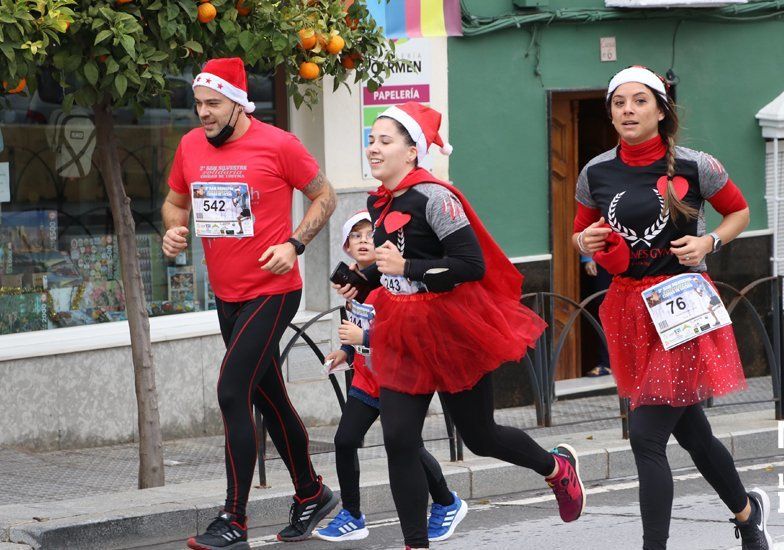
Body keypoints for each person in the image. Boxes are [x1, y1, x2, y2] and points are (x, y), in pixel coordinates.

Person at [336, 102, 586, 550]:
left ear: (412, 151)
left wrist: (408, 266)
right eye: (372, 140)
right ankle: (416, 544)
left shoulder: (436, 197)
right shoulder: (379, 201)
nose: (373, 148)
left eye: (385, 140)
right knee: (398, 440)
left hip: (451, 327)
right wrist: (362, 278)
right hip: (401, 327)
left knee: (480, 437)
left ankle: (555, 468)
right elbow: (388, 262)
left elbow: (469, 264)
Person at [572, 65, 773, 550]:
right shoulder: (595, 172)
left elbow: (740, 211)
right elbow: (579, 233)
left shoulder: (695, 165)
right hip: (628, 309)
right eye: (619, 103)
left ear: (661, 110)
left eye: (639, 101)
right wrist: (586, 240)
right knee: (693, 434)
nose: (628, 111)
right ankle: (748, 515)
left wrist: (709, 242)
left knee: (645, 435)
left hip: (683, 306)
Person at [161, 57, 339, 550]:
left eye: (213, 104)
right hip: (227, 296)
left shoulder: (279, 144)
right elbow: (176, 201)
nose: (203, 113)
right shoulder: (190, 146)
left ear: (239, 103)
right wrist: (173, 230)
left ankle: (233, 519)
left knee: (231, 390)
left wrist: (295, 245)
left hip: (273, 291)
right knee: (269, 396)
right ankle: (311, 492)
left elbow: (326, 195)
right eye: (198, 104)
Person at [316, 211, 468, 543]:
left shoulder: (392, 280)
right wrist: (346, 349)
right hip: (367, 378)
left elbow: (402, 331)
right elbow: (360, 321)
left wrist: (363, 340)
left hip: (399, 376)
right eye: (354, 236)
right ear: (345, 247)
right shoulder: (354, 283)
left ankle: (446, 501)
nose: (363, 241)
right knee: (344, 440)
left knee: (407, 447)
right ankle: (353, 515)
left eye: (369, 234)